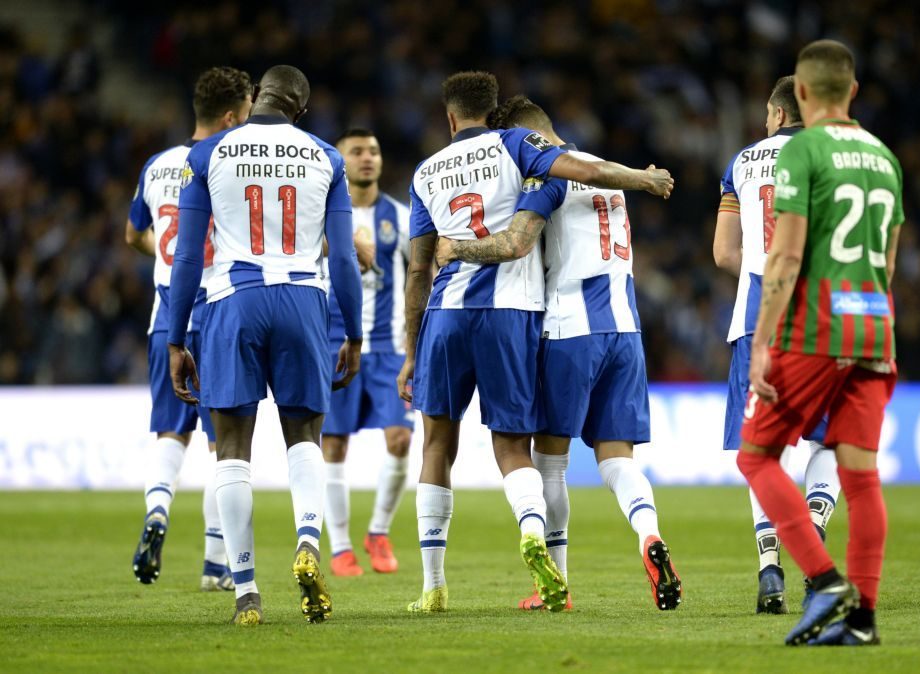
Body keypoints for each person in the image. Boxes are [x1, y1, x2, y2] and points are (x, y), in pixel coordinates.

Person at [398, 71, 673, 613]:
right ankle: (617, 533)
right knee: (563, 454)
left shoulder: (438, 170)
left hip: (491, 317)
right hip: (598, 323)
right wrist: (642, 178)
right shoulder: (567, 168)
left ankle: (439, 585)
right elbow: (579, 185)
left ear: (449, 117)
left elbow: (435, 264)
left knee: (447, 447)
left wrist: (450, 261)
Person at [167, 65, 364, 626]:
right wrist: (350, 331)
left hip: (233, 299)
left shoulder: (208, 155)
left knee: (231, 445)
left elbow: (186, 257)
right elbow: (344, 258)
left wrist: (178, 338)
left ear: (255, 98)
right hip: (303, 300)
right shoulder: (326, 157)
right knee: (304, 434)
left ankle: (247, 592)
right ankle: (307, 541)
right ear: (300, 109)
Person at [737, 40, 903, 646]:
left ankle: (824, 578)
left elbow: (784, 253)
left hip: (819, 326)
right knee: (859, 475)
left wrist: (764, 341)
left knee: (756, 455)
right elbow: (887, 259)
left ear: (800, 95)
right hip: (875, 323)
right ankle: (862, 621)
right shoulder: (884, 158)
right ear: (853, 91)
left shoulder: (802, 151)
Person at [714, 76, 840, 614]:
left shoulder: (740, 163)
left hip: (754, 324)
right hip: (820, 321)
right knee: (827, 443)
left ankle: (770, 568)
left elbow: (723, 253)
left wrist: (760, 269)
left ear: (775, 112)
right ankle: (812, 537)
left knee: (762, 452)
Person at [125, 66, 252, 591]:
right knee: (224, 443)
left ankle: (158, 510)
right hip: (217, 312)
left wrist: (172, 264)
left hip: (165, 316)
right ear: (229, 117)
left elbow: (133, 235)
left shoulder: (156, 166)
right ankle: (215, 564)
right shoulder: (230, 165)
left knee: (169, 430)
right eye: (245, 116)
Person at [322, 129, 413, 577]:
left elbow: (422, 278)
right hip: (333, 346)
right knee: (333, 445)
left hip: (389, 350)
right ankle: (339, 546)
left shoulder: (401, 217)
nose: (366, 158)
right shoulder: (319, 220)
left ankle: (378, 531)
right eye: (356, 152)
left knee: (400, 439)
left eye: (373, 151)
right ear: (339, 163)